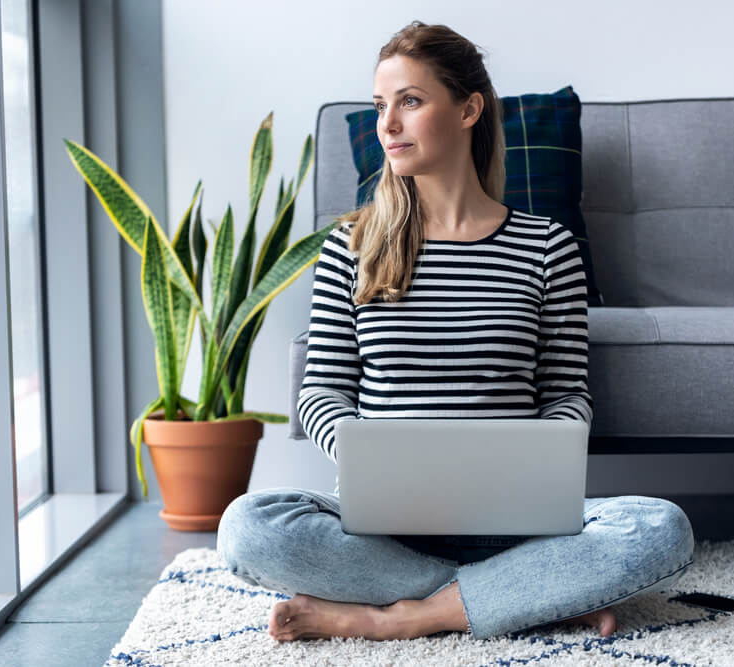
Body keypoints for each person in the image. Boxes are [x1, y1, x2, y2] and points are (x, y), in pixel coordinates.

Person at [216, 20, 695, 644]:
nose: (387, 124)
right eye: (381, 106)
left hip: (515, 518)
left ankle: (406, 615)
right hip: (380, 524)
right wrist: (372, 459)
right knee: (249, 526)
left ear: (469, 109)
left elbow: (566, 393)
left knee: (661, 527)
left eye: (410, 102)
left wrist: (532, 459)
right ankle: (524, 594)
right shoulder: (351, 246)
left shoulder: (546, 247)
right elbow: (322, 392)